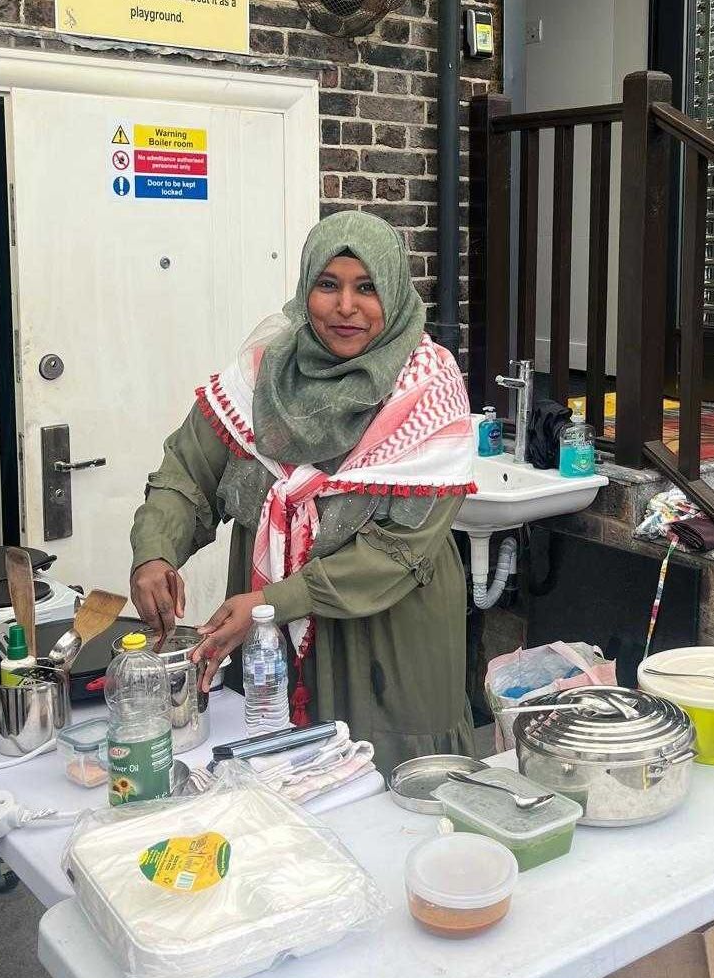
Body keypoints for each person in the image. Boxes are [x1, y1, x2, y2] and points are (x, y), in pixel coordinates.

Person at [129, 211, 477, 772]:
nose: (346, 307)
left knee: (390, 801)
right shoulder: (261, 375)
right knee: (276, 787)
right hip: (270, 644)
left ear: (394, 292)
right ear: (304, 288)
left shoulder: (428, 390)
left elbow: (399, 550)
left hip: (388, 640)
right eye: (328, 285)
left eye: (367, 288)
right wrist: (154, 551)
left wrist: (270, 604)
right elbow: (187, 474)